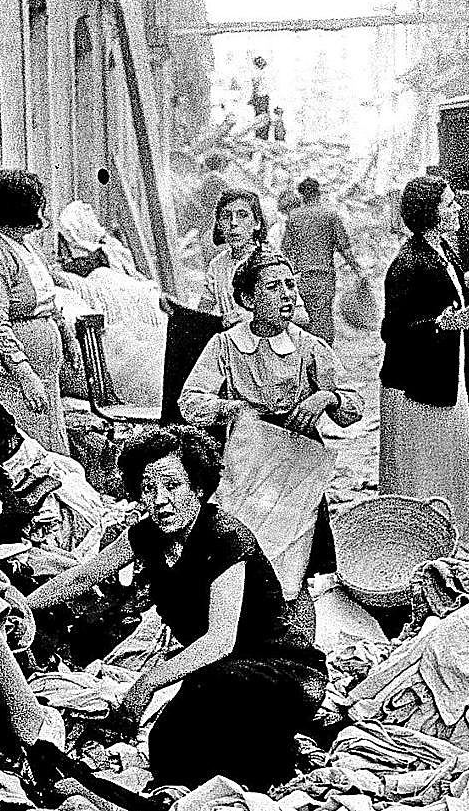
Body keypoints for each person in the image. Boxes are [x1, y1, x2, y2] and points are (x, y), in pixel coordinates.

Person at [26, 424, 328, 791]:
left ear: (199, 488)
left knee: (217, 756)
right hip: (213, 675)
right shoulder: (147, 534)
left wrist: (148, 682)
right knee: (168, 754)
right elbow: (79, 578)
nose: (160, 501)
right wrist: (18, 609)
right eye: (149, 488)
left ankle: (282, 750)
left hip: (277, 670)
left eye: (172, 486)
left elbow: (220, 640)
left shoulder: (226, 537)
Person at [180, 248, 363, 633]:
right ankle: (234, 631)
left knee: (299, 562)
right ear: (248, 299)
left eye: (290, 286)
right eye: (274, 287)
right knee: (243, 551)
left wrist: (326, 397)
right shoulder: (225, 345)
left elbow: (354, 406)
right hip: (247, 459)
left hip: (298, 465)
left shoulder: (309, 347)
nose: (287, 296)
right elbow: (190, 402)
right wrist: (231, 409)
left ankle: (297, 638)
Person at [379, 175, 469, 541]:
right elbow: (393, 331)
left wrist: (468, 322)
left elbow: (453, 309)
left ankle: (446, 546)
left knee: (444, 470)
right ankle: (419, 550)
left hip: (441, 380)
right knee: (421, 477)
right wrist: (442, 323)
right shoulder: (407, 264)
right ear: (430, 213)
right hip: (415, 392)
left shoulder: (445, 254)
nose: (457, 208)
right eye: (449, 204)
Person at [0, 169, 78, 455]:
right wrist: (25, 375)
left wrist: (68, 339)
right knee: (21, 450)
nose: (43, 214)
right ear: (21, 209)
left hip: (42, 373)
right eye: (38, 206)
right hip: (5, 374)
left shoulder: (24, 246)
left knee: (48, 447)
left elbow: (49, 303)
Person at [198, 188, 308, 329]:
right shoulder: (217, 266)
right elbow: (201, 315)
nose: (233, 223)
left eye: (242, 215)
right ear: (219, 224)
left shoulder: (271, 261)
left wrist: (254, 317)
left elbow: (301, 316)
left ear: (257, 223)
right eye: (226, 216)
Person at [281, 176, 360, 345]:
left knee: (303, 319)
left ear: (301, 195)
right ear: (319, 193)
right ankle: (325, 359)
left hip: (300, 277)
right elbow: (344, 248)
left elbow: (285, 251)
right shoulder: (330, 215)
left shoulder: (293, 217)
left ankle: (307, 362)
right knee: (323, 319)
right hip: (324, 276)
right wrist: (358, 271)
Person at [249, 55, 271, 140]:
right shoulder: (259, 73)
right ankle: (261, 136)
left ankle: (261, 136)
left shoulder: (259, 73)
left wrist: (253, 97)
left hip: (262, 97)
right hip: (261, 97)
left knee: (261, 116)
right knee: (261, 116)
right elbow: (255, 87)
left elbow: (255, 87)